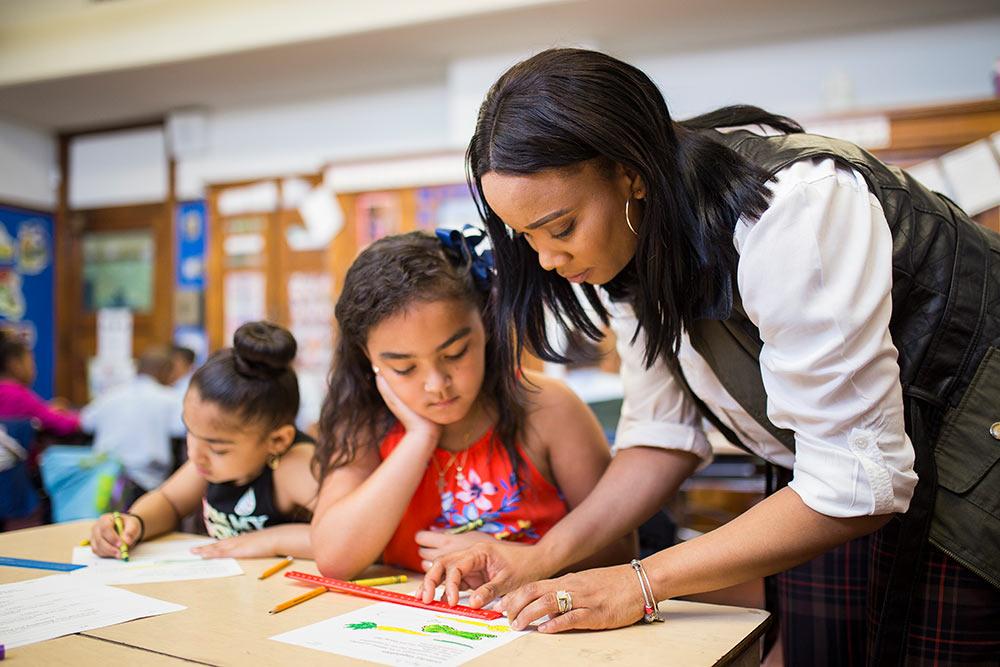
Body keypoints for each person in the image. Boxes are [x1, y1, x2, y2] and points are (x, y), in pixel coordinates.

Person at [421, 48, 1000, 665]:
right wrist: (539, 559)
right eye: (527, 237)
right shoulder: (637, 245)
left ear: (630, 175)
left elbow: (858, 481)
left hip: (967, 481)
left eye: (560, 228)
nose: (547, 260)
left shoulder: (793, 207)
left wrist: (639, 581)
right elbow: (661, 436)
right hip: (837, 486)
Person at [310, 230, 635, 580]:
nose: (436, 385)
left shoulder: (548, 409)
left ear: (486, 326)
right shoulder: (365, 422)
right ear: (368, 358)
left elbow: (619, 549)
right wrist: (420, 437)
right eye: (404, 368)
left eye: (455, 354)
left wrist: (522, 558)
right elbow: (334, 558)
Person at [89, 321, 318, 560]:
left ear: (278, 441)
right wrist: (135, 522)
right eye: (190, 432)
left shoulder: (294, 465)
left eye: (218, 448)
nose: (195, 454)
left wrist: (272, 540)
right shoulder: (206, 461)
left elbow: (347, 540)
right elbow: (170, 502)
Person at [81, 347, 183, 499]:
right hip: (148, 484)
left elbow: (85, 423)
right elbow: (181, 429)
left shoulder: (110, 395)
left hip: (103, 481)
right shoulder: (170, 398)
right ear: (165, 371)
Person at [0, 328, 80, 436]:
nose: (34, 369)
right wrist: (88, 418)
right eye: (30, 362)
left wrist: (47, 410)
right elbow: (64, 424)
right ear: (15, 365)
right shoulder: (17, 395)